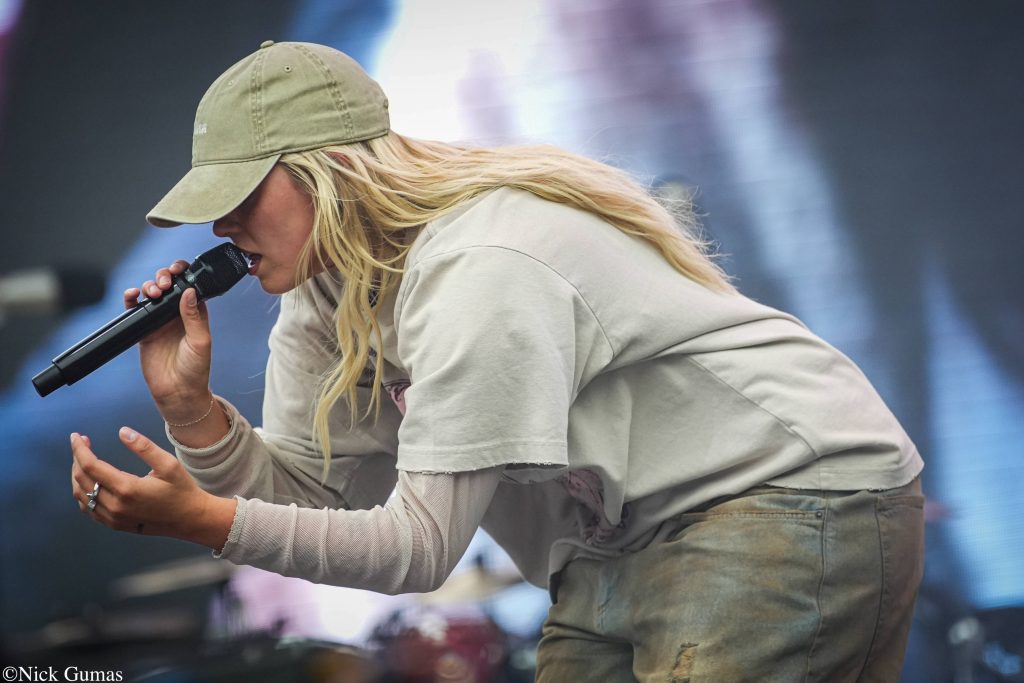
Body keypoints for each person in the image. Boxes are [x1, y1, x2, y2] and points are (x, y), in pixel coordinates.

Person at [69, 41, 924, 681]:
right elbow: (319, 502)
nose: (221, 226)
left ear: (330, 171)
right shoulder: (325, 296)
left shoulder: (480, 265)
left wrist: (206, 520)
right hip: (615, 543)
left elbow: (414, 550)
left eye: (243, 194)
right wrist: (193, 413)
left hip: (779, 496)